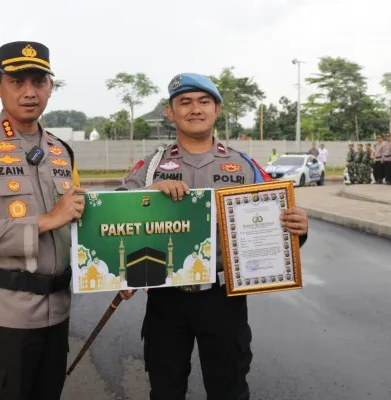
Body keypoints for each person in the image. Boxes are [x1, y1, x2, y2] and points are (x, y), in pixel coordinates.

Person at [119, 73, 309, 400]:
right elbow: (113, 217)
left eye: (204, 101)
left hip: (224, 298)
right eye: (185, 102)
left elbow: (276, 222)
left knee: (229, 388)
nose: (195, 109)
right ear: (170, 112)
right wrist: (149, 194)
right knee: (165, 388)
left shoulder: (245, 166)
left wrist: (297, 228)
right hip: (167, 298)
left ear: (217, 109)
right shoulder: (150, 167)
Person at [0, 41, 85, 400]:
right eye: (17, 81)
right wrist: (44, 220)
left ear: (50, 87)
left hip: (57, 313)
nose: (29, 92)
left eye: (39, 81)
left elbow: (79, 216)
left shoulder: (60, 149)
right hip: (3, 317)